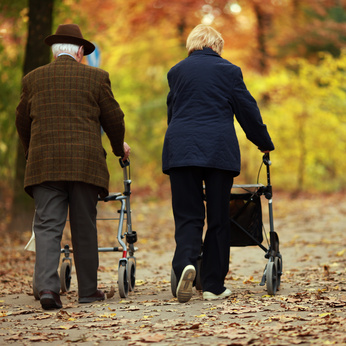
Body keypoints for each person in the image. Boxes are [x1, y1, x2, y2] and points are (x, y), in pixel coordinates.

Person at [16, 24, 130, 310]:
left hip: (44, 165)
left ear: (54, 53)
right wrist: (119, 149)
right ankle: (88, 291)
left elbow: (22, 121)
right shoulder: (97, 77)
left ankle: (47, 290)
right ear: (80, 52)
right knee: (84, 225)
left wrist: (32, 151)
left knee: (47, 226)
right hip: (85, 164)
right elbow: (114, 119)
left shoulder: (32, 79)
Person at [162, 24, 274, 303]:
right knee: (219, 219)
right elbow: (247, 109)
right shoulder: (229, 71)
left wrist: (180, 144)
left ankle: (186, 263)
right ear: (216, 46)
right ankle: (212, 284)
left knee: (188, 215)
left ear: (193, 45)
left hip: (181, 149)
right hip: (218, 151)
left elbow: (173, 112)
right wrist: (263, 141)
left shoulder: (176, 72)